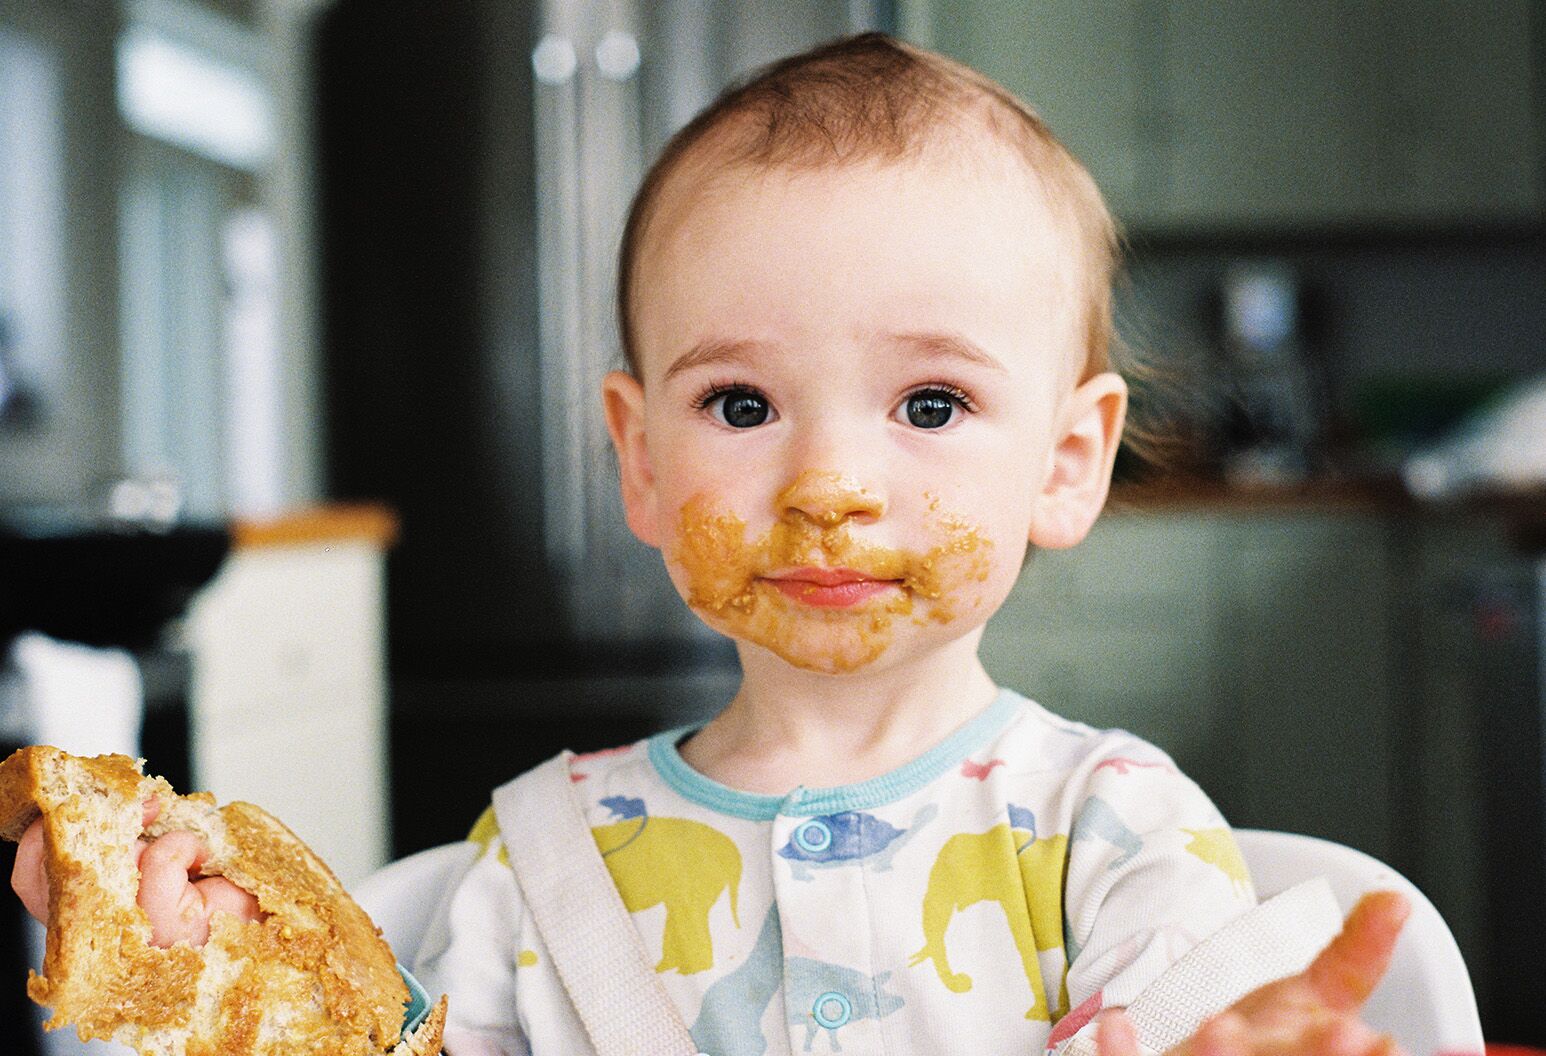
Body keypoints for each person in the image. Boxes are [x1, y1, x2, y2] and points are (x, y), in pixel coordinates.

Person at [12, 31, 1410, 1056]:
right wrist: (224, 977)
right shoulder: (534, 860)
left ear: (1064, 463)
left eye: (930, 402)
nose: (825, 484)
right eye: (740, 404)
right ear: (638, 457)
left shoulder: (1114, 835)